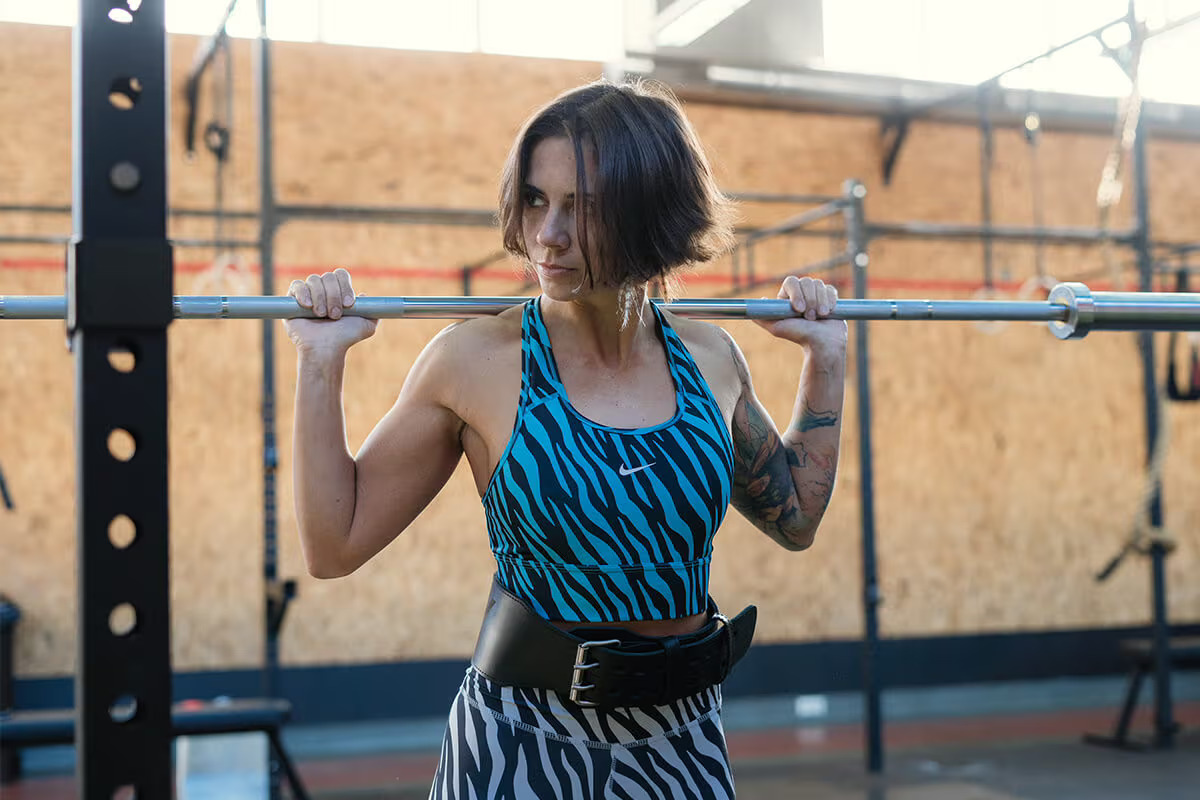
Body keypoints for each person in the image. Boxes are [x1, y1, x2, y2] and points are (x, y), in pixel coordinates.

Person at [284, 79, 846, 800]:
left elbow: (794, 516)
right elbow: (334, 545)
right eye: (536, 200)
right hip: (523, 742)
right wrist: (319, 362)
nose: (547, 236)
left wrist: (826, 360)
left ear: (652, 211)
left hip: (683, 740)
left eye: (583, 208)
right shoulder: (475, 361)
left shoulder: (710, 359)